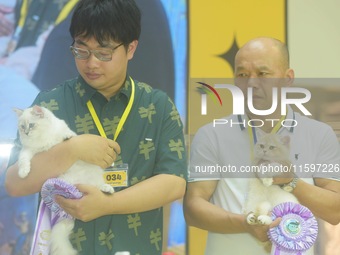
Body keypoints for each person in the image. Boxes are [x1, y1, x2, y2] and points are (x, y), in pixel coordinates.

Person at [5, 0, 187, 254]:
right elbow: (15, 183)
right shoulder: (50, 103)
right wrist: (71, 150)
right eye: (81, 50)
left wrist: (107, 205)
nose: (91, 63)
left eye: (104, 53)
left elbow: (174, 182)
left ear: (131, 48)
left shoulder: (157, 107)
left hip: (135, 246)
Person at [183, 37, 340, 254]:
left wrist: (292, 182)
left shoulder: (319, 135)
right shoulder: (211, 134)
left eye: (263, 74)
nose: (252, 83)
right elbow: (193, 208)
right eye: (242, 75)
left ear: (288, 78)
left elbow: (335, 210)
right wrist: (244, 224)